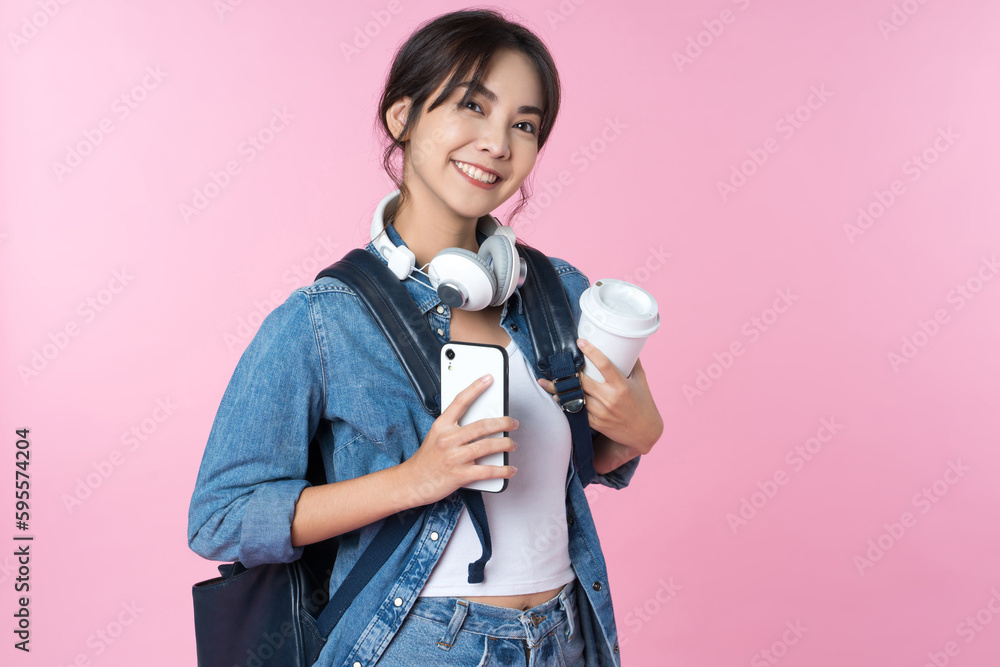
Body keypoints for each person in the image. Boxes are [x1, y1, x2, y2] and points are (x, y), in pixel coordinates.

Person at [187, 8, 664, 666]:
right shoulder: (325, 319)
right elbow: (222, 517)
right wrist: (415, 479)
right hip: (416, 643)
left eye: (523, 124)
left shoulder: (564, 292)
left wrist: (635, 435)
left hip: (566, 635)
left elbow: (572, 467)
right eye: (472, 105)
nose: (498, 142)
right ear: (402, 117)